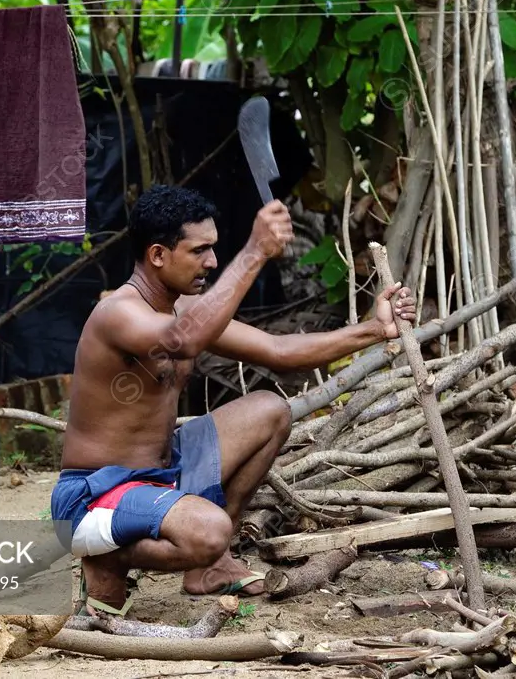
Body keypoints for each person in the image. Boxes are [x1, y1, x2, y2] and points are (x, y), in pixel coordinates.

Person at [51, 185, 417, 615]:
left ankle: (207, 568)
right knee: (210, 532)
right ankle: (107, 558)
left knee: (270, 410)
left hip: (161, 475)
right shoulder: (119, 313)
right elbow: (180, 341)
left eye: (215, 249)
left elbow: (279, 351)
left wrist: (374, 331)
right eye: (200, 250)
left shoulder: (186, 309)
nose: (211, 262)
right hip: (94, 496)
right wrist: (254, 252)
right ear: (157, 255)